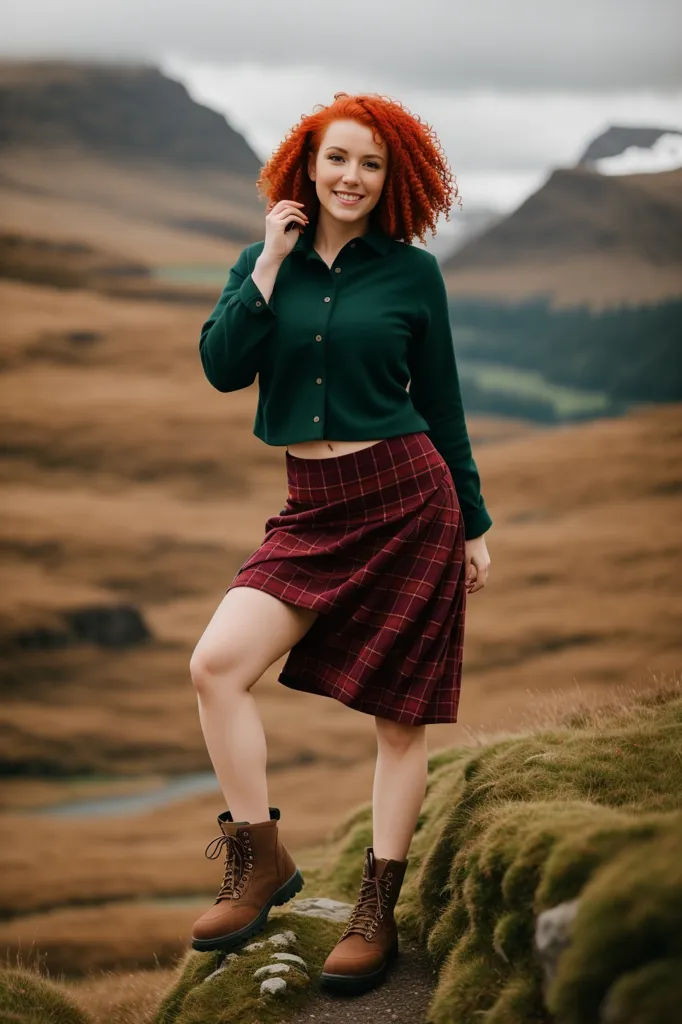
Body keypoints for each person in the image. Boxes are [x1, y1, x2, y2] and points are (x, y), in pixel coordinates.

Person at [189, 91, 492, 996]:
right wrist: (271, 263)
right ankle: (262, 863)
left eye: (370, 165)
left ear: (391, 179)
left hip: (408, 498)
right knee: (215, 667)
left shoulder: (412, 275)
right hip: (312, 507)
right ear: (305, 166)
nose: (351, 178)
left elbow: (441, 403)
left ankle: (376, 909)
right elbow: (220, 366)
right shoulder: (263, 260)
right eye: (337, 160)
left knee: (399, 721)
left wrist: (472, 522)